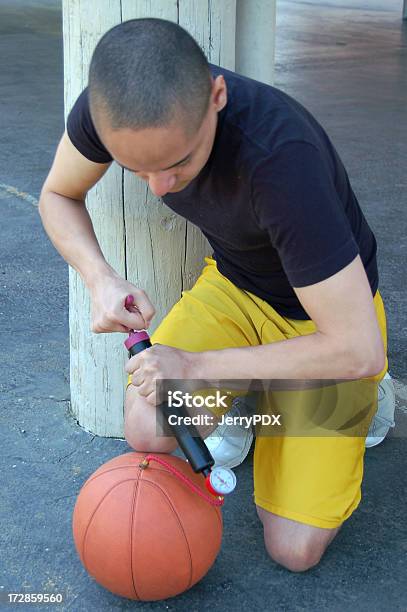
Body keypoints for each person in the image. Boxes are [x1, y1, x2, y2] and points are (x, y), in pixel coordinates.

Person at [38, 18, 395, 572]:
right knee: (147, 427)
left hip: (329, 328)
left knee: (293, 551)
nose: (159, 187)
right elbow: (59, 194)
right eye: (138, 169)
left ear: (218, 98)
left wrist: (200, 365)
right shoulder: (111, 107)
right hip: (237, 288)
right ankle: (260, 399)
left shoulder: (281, 160)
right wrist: (100, 278)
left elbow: (356, 347)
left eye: (178, 162)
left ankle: (367, 403)